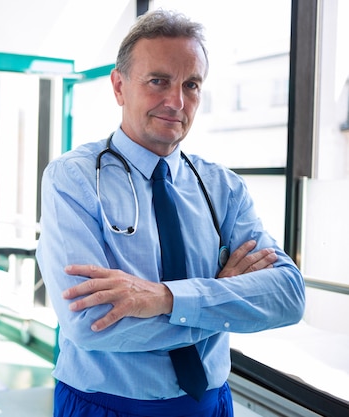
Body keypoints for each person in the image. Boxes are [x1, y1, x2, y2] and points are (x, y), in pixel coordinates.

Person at [35, 9, 305, 417]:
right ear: (119, 86)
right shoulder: (72, 180)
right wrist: (223, 300)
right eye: (158, 81)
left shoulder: (224, 188)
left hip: (211, 404)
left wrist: (162, 298)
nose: (176, 102)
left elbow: (287, 295)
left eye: (191, 85)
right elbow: (91, 323)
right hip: (106, 406)